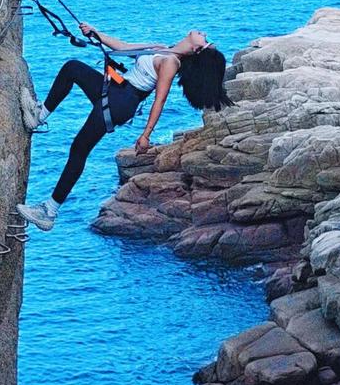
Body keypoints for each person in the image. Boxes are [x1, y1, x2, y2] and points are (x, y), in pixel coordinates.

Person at [16, 24, 232, 231]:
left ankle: (49, 211)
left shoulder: (171, 63)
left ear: (197, 48)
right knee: (72, 68)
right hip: (115, 89)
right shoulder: (162, 49)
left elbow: (160, 100)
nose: (203, 33)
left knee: (79, 149)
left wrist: (146, 135)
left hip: (121, 102)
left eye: (205, 38)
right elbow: (123, 47)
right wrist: (95, 33)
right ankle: (39, 116)